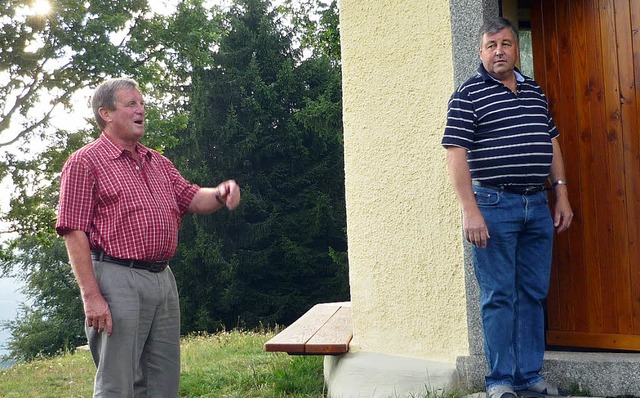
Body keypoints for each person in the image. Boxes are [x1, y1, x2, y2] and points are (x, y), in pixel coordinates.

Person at [56, 78, 241, 397]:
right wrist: (91, 296)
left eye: (142, 103)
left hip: (162, 280)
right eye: (131, 104)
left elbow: (193, 197)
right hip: (116, 279)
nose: (141, 109)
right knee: (118, 383)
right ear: (106, 113)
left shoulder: (158, 162)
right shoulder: (84, 162)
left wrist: (220, 193)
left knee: (162, 381)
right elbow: (73, 231)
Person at [442, 17, 573, 398]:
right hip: (492, 204)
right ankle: (500, 381)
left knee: (532, 291)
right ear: (480, 52)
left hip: (537, 201)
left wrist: (561, 193)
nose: (499, 51)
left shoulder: (534, 90)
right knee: (498, 294)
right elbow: (455, 154)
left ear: (516, 50)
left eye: (505, 44)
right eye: (490, 46)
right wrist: (470, 210)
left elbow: (552, 144)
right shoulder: (468, 95)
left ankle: (529, 377)